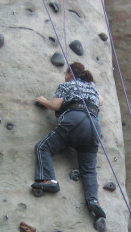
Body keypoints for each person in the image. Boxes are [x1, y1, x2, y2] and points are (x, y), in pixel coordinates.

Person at [32, 62, 106, 219]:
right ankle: (93, 200)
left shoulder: (67, 85)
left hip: (75, 121)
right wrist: (90, 86)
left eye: (66, 74)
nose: (65, 77)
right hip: (94, 127)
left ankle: (48, 180)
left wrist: (43, 100)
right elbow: (101, 101)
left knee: (43, 148)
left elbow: (55, 105)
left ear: (70, 73)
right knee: (89, 170)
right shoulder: (92, 88)